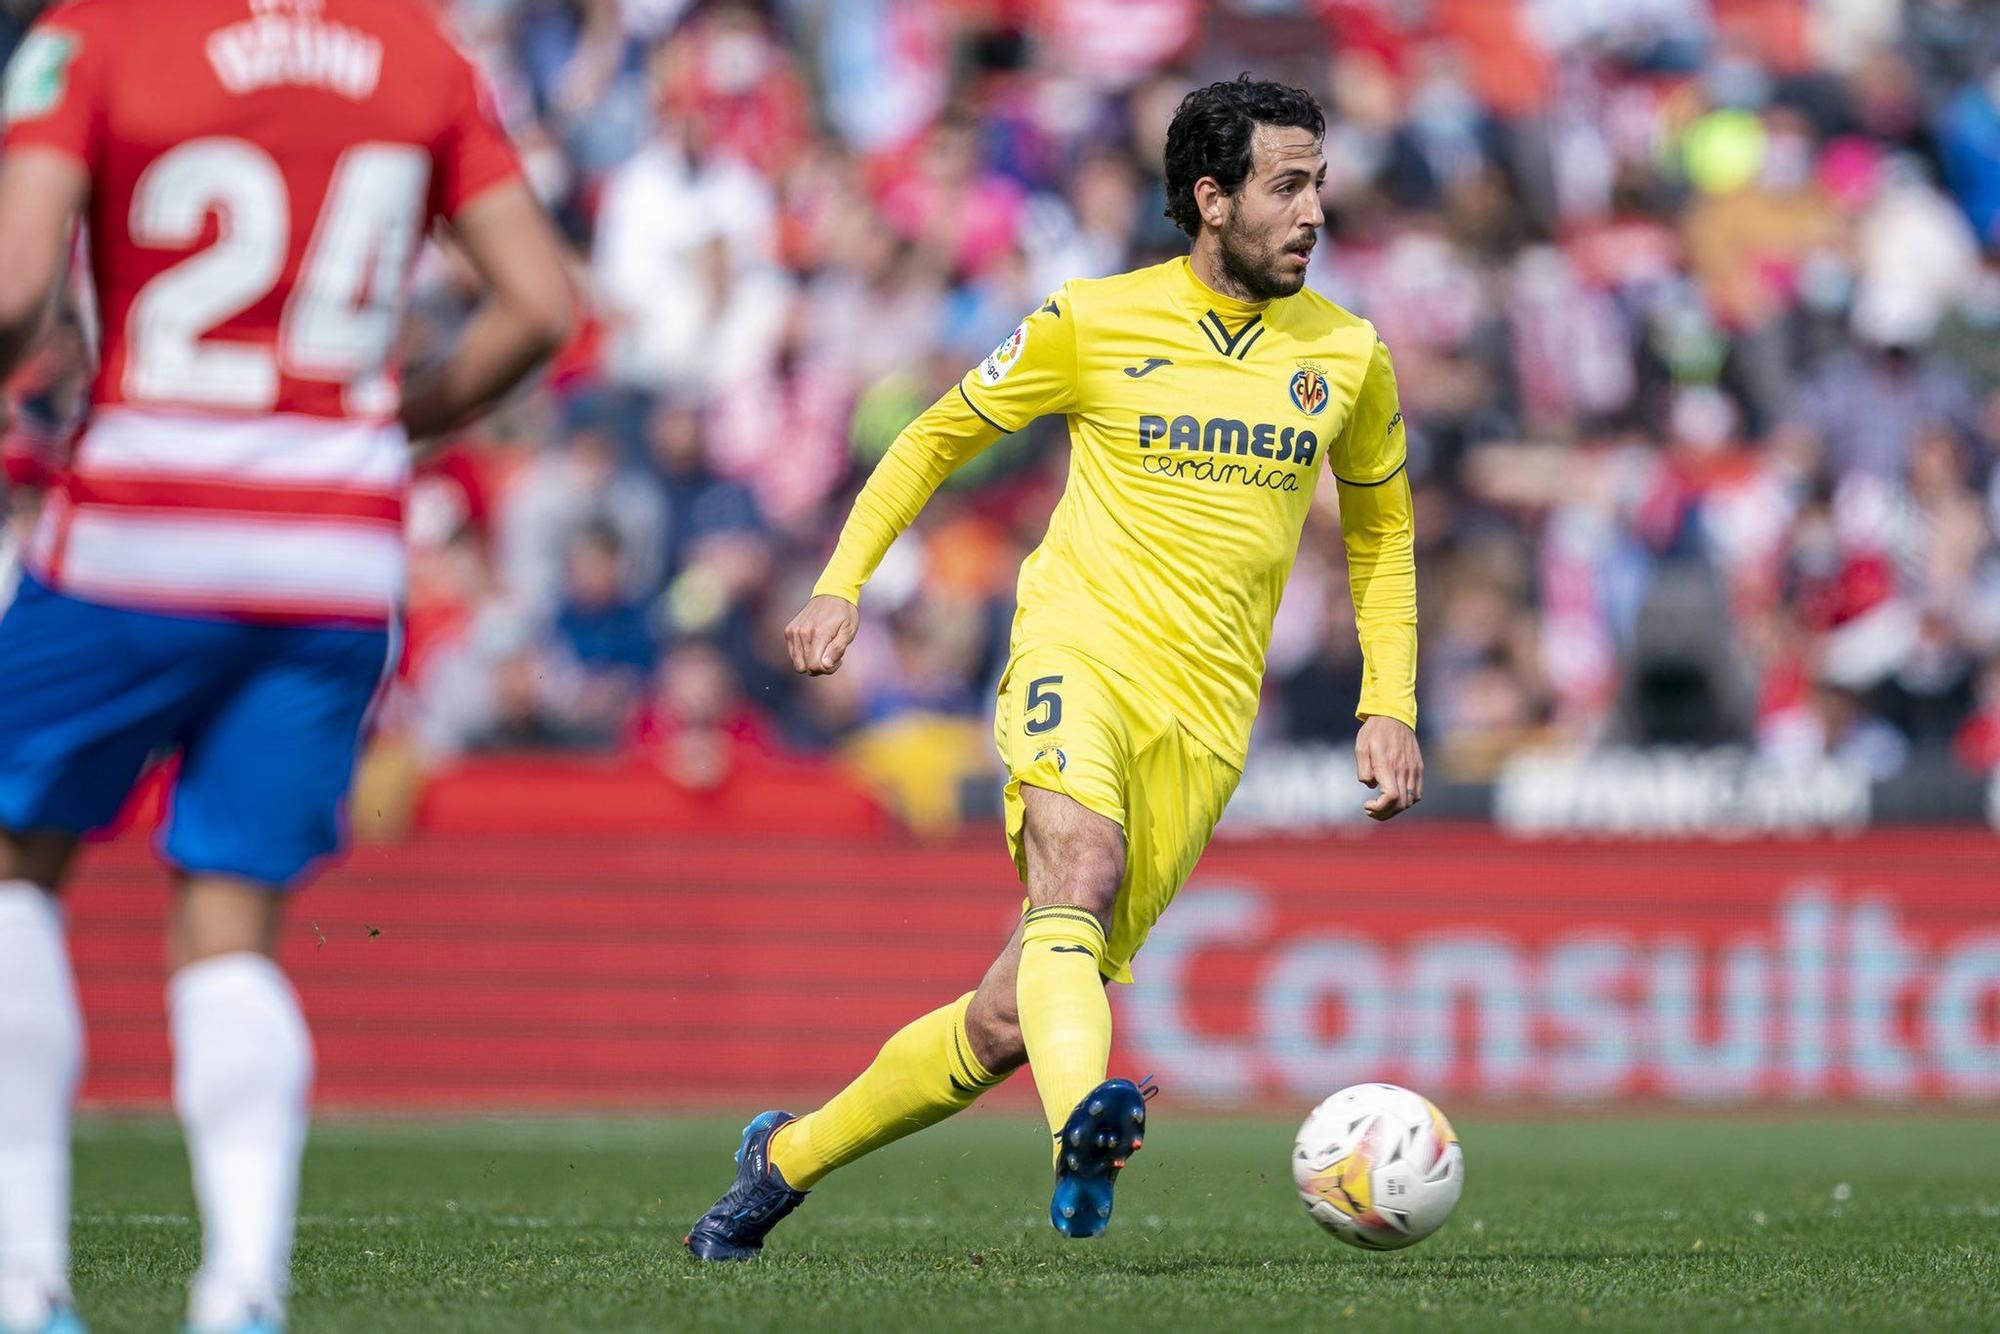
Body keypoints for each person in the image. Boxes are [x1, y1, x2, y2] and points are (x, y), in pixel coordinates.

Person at [685, 76, 1422, 1260]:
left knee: (1002, 1015)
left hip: (1204, 720)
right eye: (1285, 186)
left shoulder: (1346, 356)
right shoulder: (1091, 318)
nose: (1311, 212)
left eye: (1317, 186)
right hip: (1076, 648)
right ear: (1209, 198)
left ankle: (779, 1161)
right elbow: (934, 434)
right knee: (1078, 863)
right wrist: (840, 579)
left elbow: (1382, 536)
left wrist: (1386, 701)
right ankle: (1079, 1132)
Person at [0, 2, 573, 1330]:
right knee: (230, 916)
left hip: (143, 517)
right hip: (331, 549)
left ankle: (27, 1282)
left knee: (16, 862)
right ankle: (240, 1287)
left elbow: (20, 287)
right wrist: (381, 425)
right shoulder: (420, 52)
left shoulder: (98, 34)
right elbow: (542, 305)